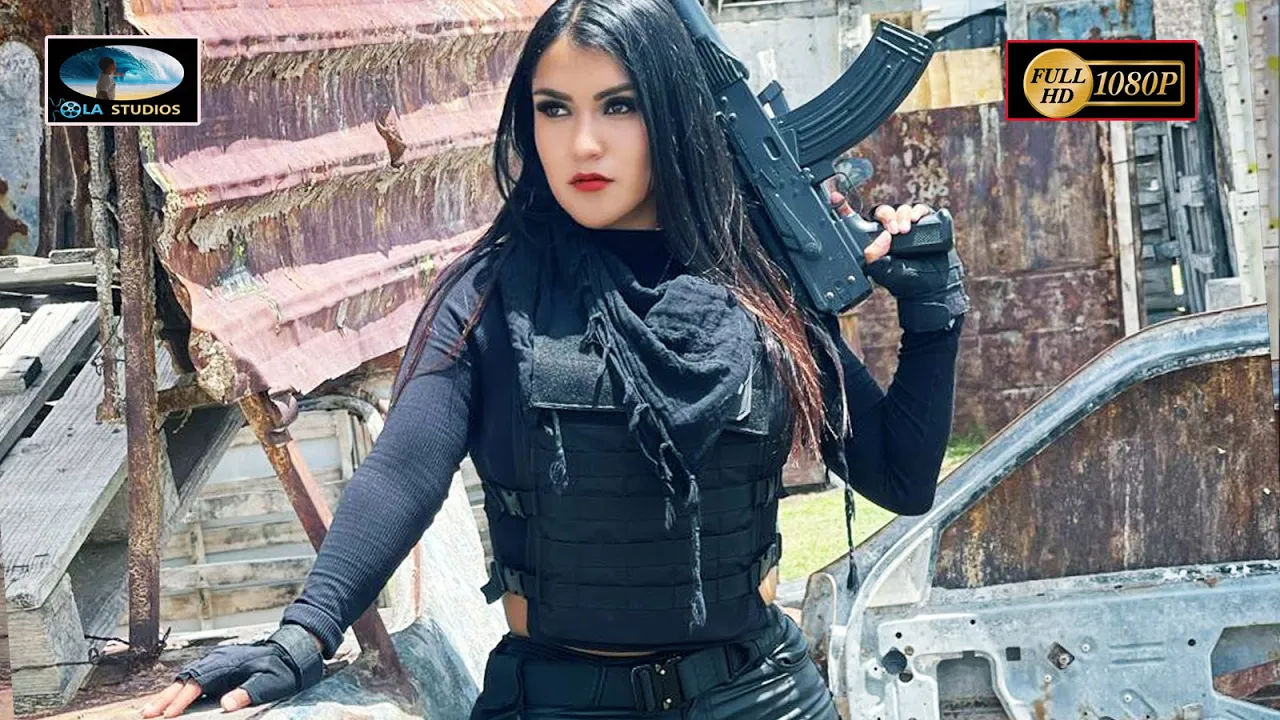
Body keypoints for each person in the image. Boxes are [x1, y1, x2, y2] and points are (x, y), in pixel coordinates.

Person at [141, 0, 968, 717]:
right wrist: (304, 634)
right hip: (559, 698)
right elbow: (402, 474)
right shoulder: (490, 295)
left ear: (676, 115)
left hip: (760, 694)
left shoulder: (760, 284)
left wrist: (933, 313)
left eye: (619, 106)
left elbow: (899, 477)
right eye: (554, 109)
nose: (583, 144)